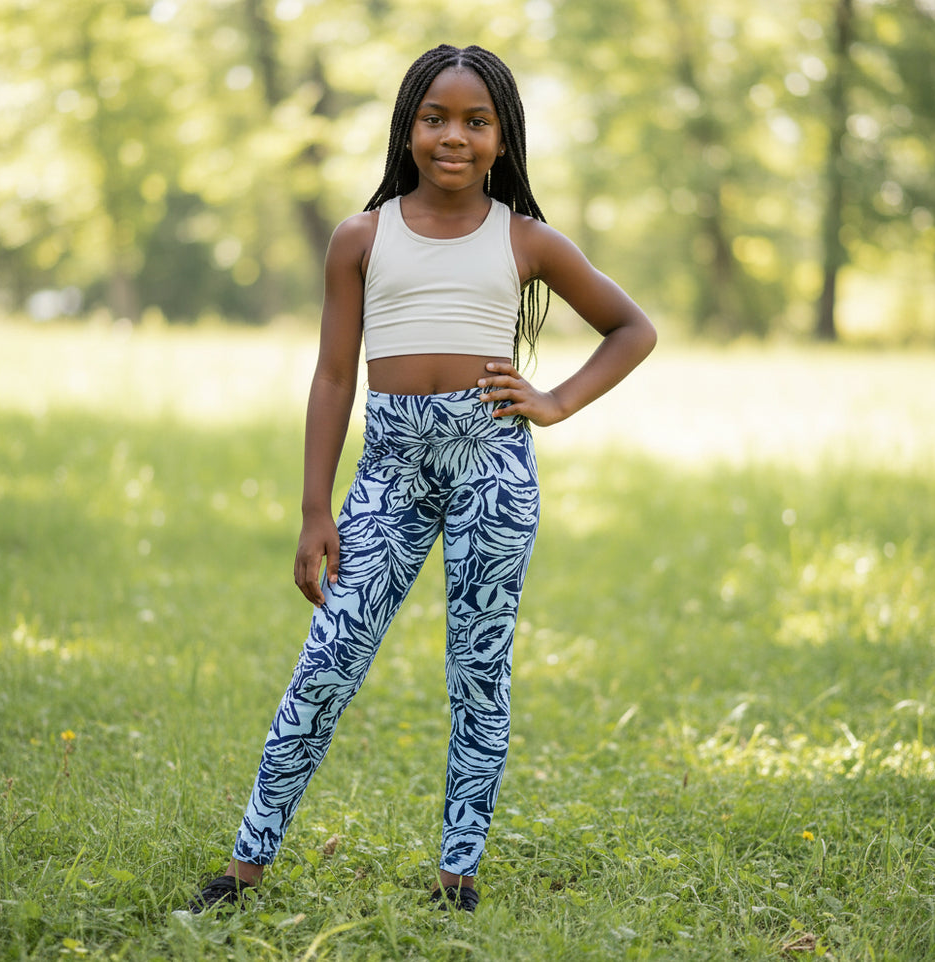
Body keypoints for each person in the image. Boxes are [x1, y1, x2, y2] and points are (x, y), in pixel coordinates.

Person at [183, 43, 656, 915]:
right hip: (391, 470)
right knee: (328, 661)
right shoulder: (362, 237)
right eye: (434, 118)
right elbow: (333, 376)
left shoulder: (527, 241)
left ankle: (457, 876)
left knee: (478, 673)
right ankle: (244, 866)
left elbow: (632, 327)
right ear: (407, 130)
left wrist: (552, 401)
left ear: (503, 139)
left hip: (491, 469)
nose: (454, 137)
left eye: (476, 122)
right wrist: (314, 508)